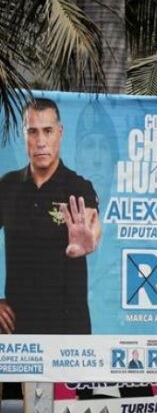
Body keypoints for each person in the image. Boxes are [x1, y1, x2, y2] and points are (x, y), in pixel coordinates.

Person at [0, 98, 101, 335]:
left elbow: (93, 227)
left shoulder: (78, 187)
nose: (41, 142)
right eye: (32, 132)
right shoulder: (7, 186)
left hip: (68, 331)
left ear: (60, 132)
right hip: (17, 333)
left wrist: (89, 241)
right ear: (24, 135)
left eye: (48, 131)